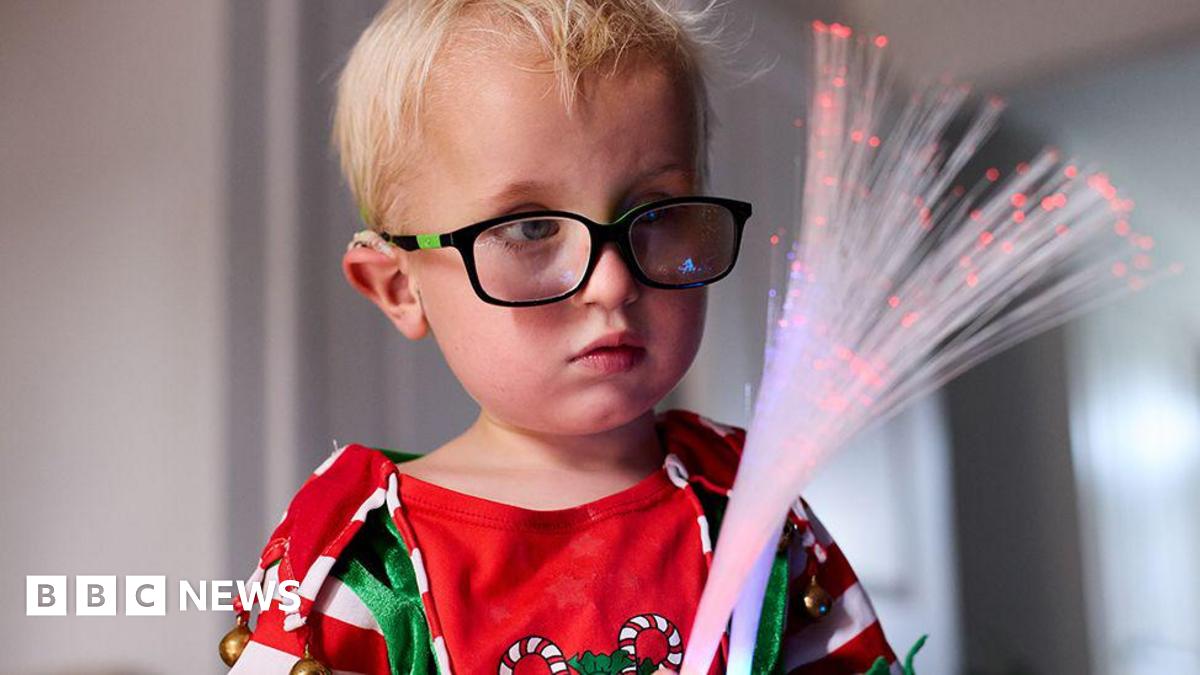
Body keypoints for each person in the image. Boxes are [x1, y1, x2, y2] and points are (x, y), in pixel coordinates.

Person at [219, 1, 915, 673]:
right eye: (529, 227)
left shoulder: (750, 504)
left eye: (654, 213)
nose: (612, 283)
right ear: (401, 287)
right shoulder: (366, 553)